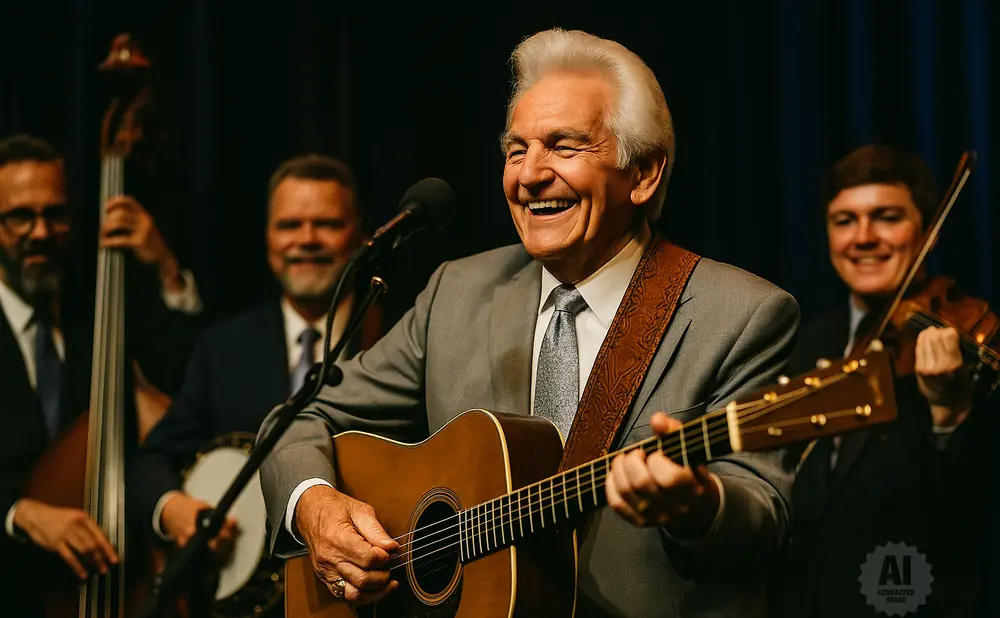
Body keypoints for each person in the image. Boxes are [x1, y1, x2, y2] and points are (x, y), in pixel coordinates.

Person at [257, 28, 800, 618]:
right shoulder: (456, 294)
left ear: (643, 174)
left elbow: (765, 518)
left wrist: (697, 506)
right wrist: (314, 507)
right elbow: (300, 418)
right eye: (516, 151)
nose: (529, 175)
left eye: (564, 147)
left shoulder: (740, 314)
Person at [130, 154, 383, 615]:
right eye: (290, 225)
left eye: (326, 224)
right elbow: (152, 459)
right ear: (268, 239)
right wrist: (172, 508)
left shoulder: (397, 335)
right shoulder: (222, 348)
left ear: (360, 235)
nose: (306, 240)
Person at [768, 144, 993, 618]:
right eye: (844, 221)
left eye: (887, 217)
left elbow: (974, 519)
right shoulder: (805, 342)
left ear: (929, 233)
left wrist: (950, 414)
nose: (863, 237)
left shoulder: (967, 342)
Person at [0, 133, 202, 615]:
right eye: (20, 217)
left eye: (56, 215)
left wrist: (165, 267)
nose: (41, 233)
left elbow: (187, 382)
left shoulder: (99, 319)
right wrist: (18, 513)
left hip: (106, 586)